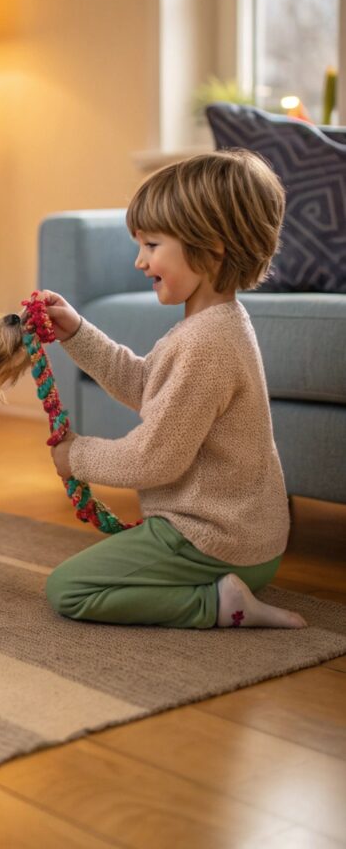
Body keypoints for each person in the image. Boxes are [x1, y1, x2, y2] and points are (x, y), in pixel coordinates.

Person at [43, 150, 306, 629]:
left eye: (152, 245)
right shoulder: (214, 326)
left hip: (212, 541)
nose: (140, 261)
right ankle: (224, 591)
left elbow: (153, 460)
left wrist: (76, 456)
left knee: (70, 590)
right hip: (246, 543)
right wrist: (76, 333)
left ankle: (216, 606)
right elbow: (147, 386)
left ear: (214, 246)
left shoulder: (206, 345)